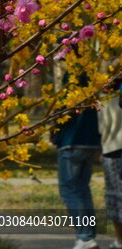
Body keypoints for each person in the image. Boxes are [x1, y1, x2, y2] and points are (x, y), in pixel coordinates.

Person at [54, 98, 102, 249]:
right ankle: (88, 237)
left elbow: (62, 114)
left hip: (71, 143)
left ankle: (85, 238)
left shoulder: (71, 80)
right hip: (90, 142)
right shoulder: (93, 80)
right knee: (82, 190)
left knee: (70, 191)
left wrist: (56, 134)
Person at [99, 82, 122, 249]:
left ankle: (120, 240)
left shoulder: (103, 98)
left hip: (111, 150)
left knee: (114, 198)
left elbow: (100, 128)